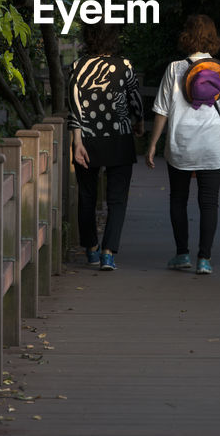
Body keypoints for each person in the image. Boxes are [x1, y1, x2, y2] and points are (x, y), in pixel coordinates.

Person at [145, 14, 220, 275]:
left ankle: (182, 254)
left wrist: (152, 144)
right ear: (213, 37)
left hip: (180, 143)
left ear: (186, 36)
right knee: (209, 202)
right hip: (212, 143)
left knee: (178, 199)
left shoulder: (175, 69)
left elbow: (162, 111)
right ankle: (204, 259)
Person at [67, 23, 144, 271]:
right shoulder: (125, 66)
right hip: (119, 138)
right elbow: (135, 100)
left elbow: (74, 107)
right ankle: (108, 253)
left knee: (87, 196)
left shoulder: (77, 67)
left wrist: (77, 141)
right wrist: (139, 121)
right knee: (117, 199)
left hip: (88, 139)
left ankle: (91, 248)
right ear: (114, 39)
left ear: (88, 38)